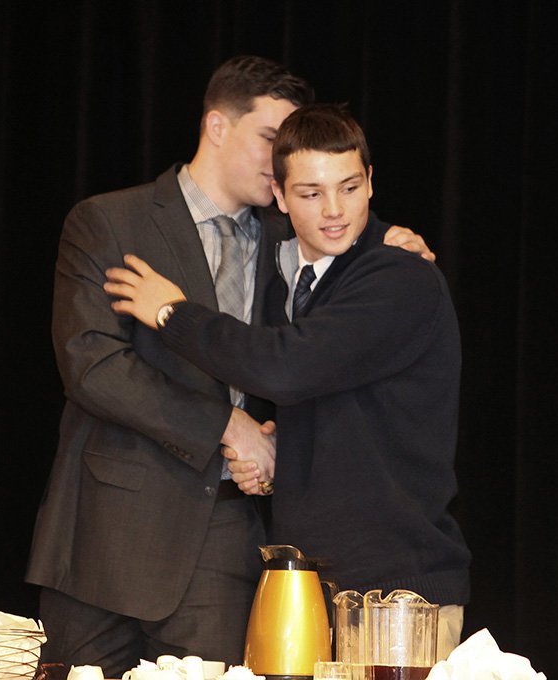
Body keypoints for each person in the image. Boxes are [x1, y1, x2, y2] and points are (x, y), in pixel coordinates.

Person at [27, 56, 432, 676]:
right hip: (106, 530)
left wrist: (392, 243)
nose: (284, 162)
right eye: (272, 140)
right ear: (216, 126)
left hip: (225, 530)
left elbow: (337, 269)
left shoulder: (289, 233)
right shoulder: (111, 219)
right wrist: (226, 426)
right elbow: (93, 364)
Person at [103, 103, 471, 660]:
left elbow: (287, 367)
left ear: (371, 182)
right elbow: (337, 406)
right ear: (277, 195)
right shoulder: (293, 283)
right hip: (307, 581)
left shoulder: (398, 275)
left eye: (349, 187)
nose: (334, 211)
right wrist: (276, 453)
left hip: (398, 589)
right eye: (310, 193)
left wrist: (172, 314)